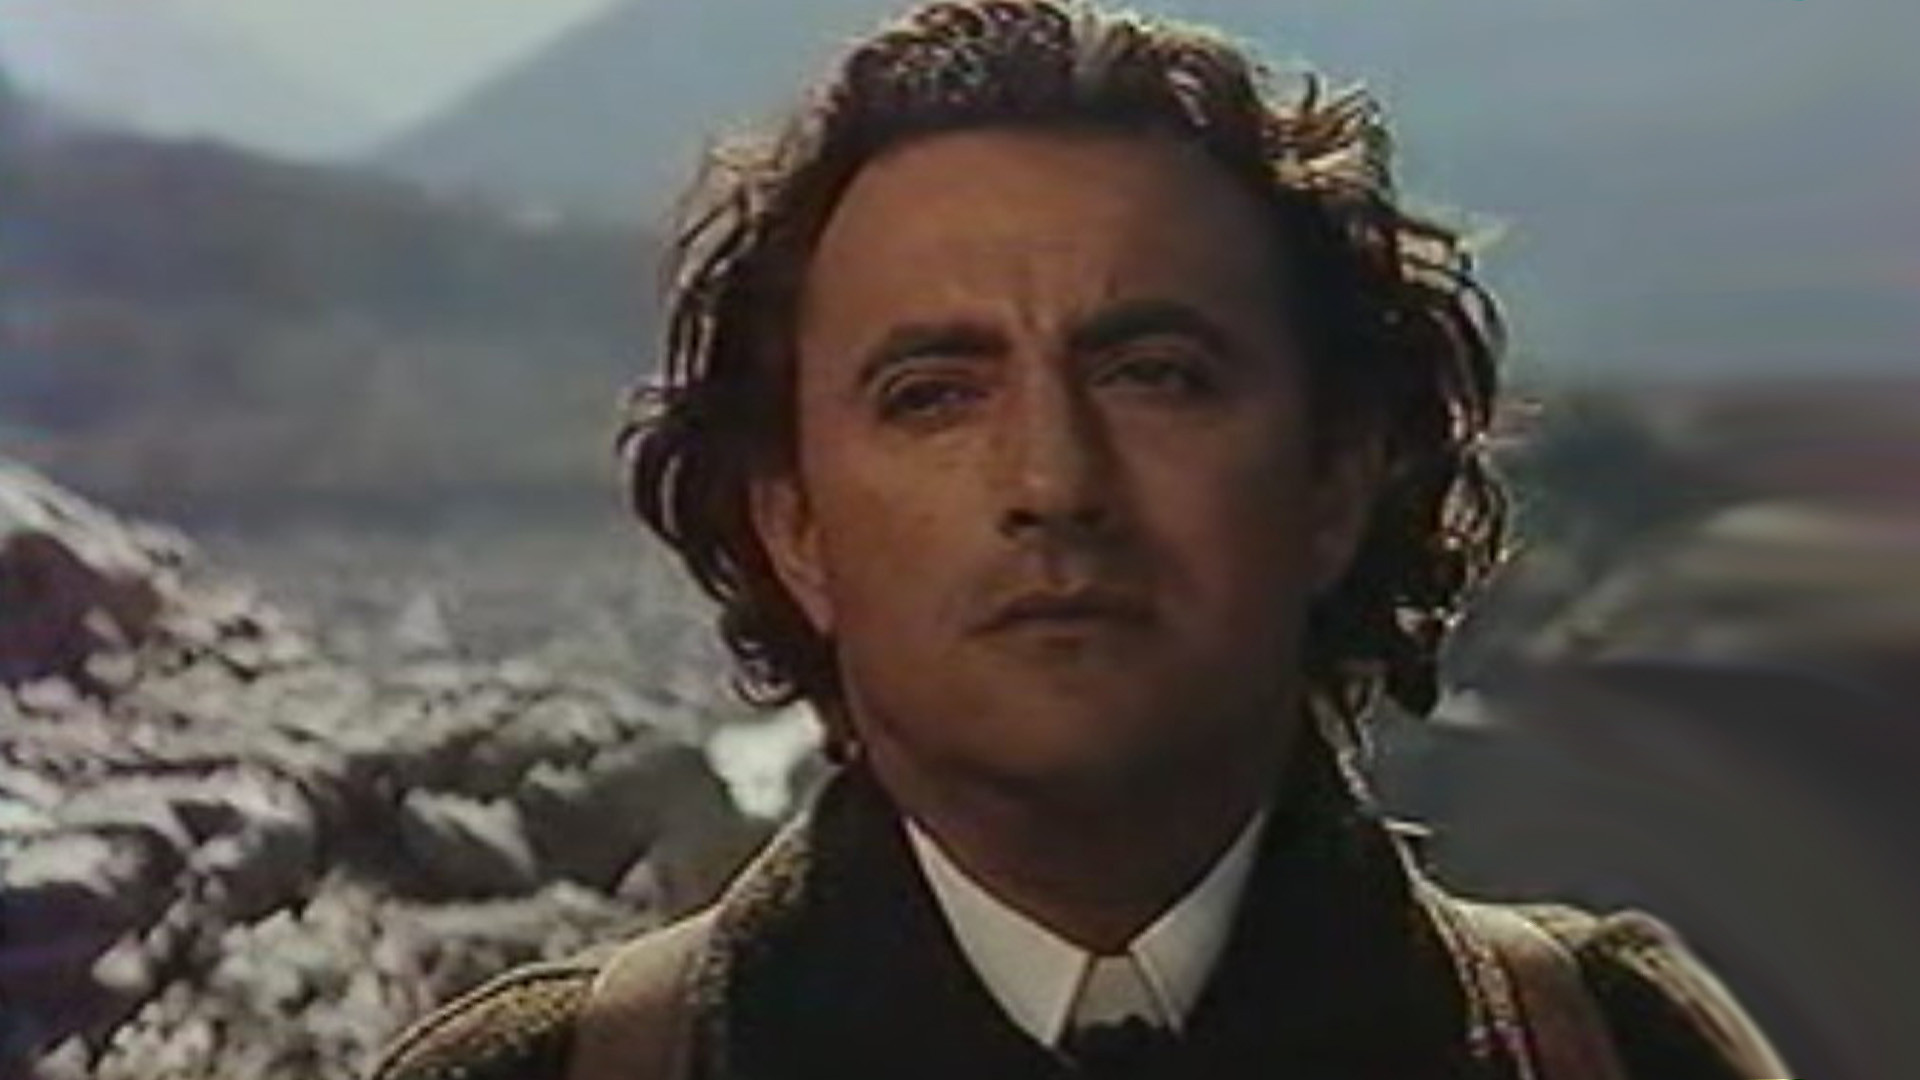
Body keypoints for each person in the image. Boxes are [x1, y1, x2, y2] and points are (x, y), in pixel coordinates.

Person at [371, 2, 1788, 1077]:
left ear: (1336, 479)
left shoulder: (1616, 1051)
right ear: (793, 523)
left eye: (1156, 374)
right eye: (934, 395)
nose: (1053, 480)